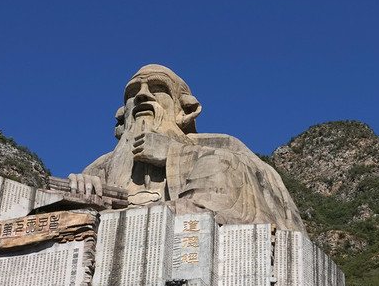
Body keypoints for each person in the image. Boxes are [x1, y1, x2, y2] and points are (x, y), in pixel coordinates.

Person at [68, 64, 305, 232]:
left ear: (185, 110)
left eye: (157, 88)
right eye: (132, 93)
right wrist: (79, 193)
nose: (142, 95)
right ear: (123, 115)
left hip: (188, 233)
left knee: (224, 163)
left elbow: (259, 180)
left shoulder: (219, 144)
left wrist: (173, 154)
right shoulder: (101, 166)